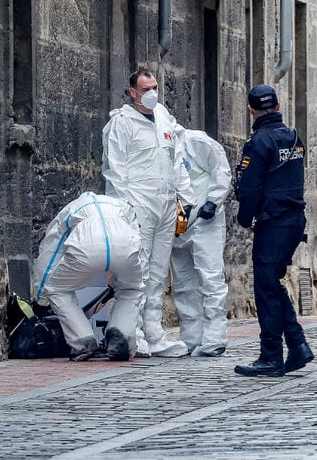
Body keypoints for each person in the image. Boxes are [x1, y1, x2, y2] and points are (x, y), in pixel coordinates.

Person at [101, 67, 195, 357]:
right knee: (136, 272)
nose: (152, 94)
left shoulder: (164, 118)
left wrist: (186, 197)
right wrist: (124, 208)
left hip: (166, 203)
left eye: (155, 87)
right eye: (146, 89)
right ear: (133, 92)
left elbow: (176, 159)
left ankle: (154, 334)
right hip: (139, 203)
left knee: (157, 272)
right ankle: (132, 333)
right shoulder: (122, 123)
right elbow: (115, 169)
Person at [232, 84, 314, 377]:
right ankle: (297, 344)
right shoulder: (293, 137)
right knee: (273, 282)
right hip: (294, 220)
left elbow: (251, 189)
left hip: (274, 222)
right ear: (278, 107)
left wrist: (245, 219)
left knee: (266, 287)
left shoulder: (259, 143)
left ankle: (271, 356)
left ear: (251, 110)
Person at [33, 192, 145, 362]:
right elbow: (136, 239)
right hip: (125, 246)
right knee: (132, 290)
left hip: (86, 248)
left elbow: (50, 253)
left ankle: (83, 341)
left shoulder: (70, 210)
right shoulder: (122, 206)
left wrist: (41, 298)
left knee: (56, 290)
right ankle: (120, 337)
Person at [170, 129, 232, 357]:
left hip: (206, 219)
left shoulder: (193, 141)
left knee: (210, 277)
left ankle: (215, 337)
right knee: (184, 282)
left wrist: (214, 201)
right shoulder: (155, 149)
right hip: (177, 223)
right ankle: (191, 337)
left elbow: (220, 168)